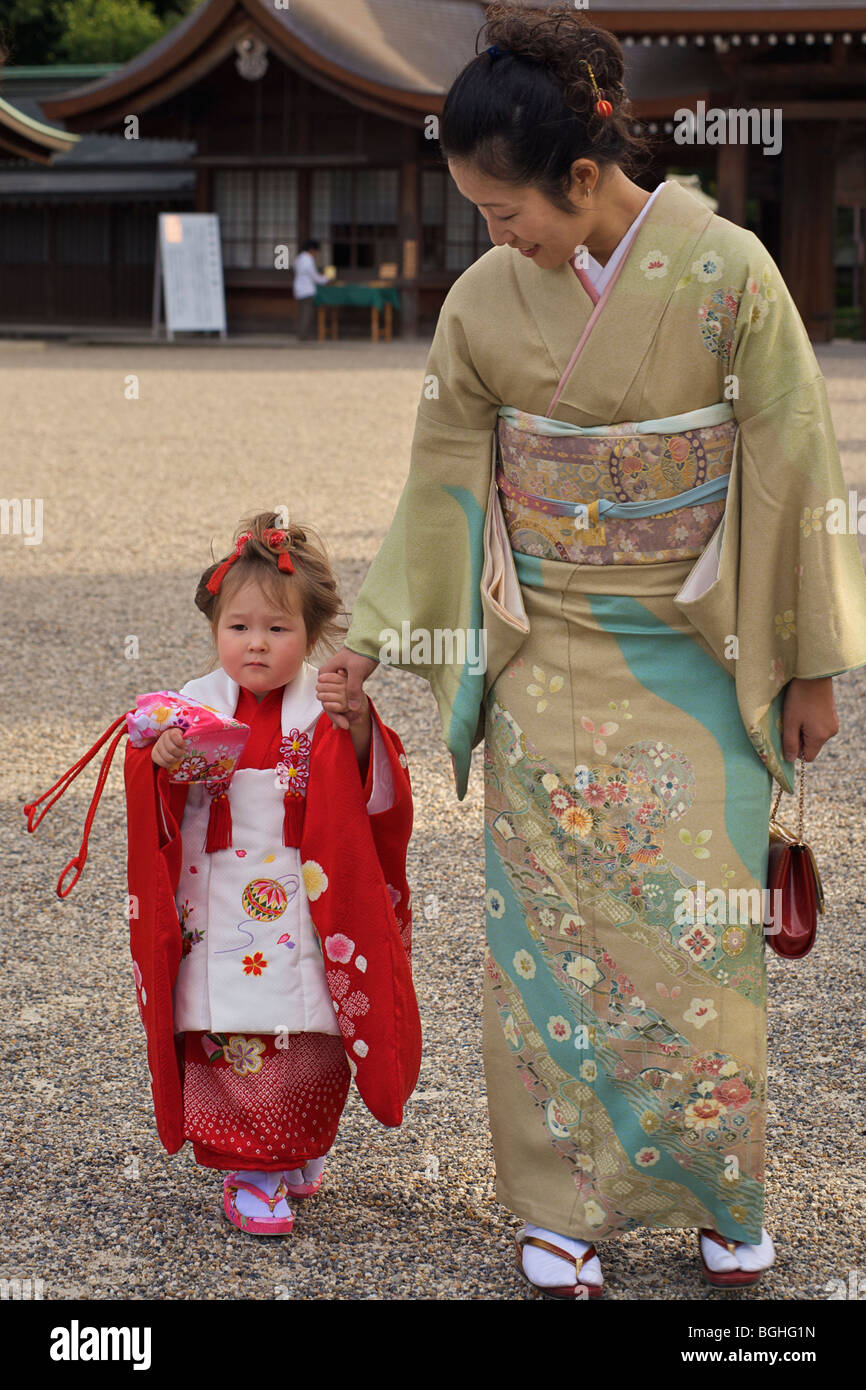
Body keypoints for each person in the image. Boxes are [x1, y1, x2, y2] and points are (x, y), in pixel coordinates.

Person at [318, 3, 866, 1296]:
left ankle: (716, 1190)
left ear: (580, 173)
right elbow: (446, 470)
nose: (493, 239)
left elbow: (791, 456)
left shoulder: (729, 272)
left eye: (506, 214)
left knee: (699, 938)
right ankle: (555, 1199)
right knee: (547, 944)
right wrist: (383, 637)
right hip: (545, 660)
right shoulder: (482, 303)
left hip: (695, 651)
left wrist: (811, 663)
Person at [26, 512, 419, 1237]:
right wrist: (163, 760)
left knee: (313, 1034)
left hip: (306, 905)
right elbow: (156, 806)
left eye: (278, 629)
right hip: (219, 905)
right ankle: (251, 1167)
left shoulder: (326, 708)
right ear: (215, 630)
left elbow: (378, 797)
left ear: (314, 634)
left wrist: (359, 726)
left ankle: (294, 1146)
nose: (257, 645)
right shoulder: (193, 707)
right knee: (230, 1035)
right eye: (239, 628)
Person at [293, 239, 329, 341]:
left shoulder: (299, 258)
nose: (316, 254)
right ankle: (303, 336)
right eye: (316, 251)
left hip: (299, 289)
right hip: (307, 289)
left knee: (301, 313)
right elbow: (314, 276)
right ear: (312, 250)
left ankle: (301, 334)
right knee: (306, 314)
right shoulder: (308, 260)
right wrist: (325, 279)